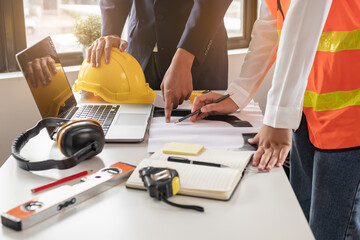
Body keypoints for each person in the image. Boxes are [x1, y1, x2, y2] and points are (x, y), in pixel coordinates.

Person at [190, 0, 360, 239]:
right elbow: (271, 24)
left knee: (328, 233)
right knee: (300, 224)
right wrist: (238, 93)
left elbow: (306, 12)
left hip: (350, 119)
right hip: (308, 115)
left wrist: (278, 118)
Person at [88, 0, 231, 122]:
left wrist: (185, 57)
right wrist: (110, 32)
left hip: (198, 55)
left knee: (203, 135)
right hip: (140, 57)